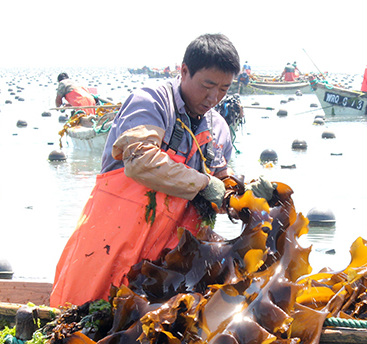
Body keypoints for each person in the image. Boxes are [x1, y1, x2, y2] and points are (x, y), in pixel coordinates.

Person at [51, 34, 265, 307]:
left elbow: (221, 182)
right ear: (184, 70)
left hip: (172, 260)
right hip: (113, 241)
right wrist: (202, 184)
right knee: (82, 311)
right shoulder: (151, 102)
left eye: (223, 89)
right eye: (207, 86)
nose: (213, 97)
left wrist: (246, 192)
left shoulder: (218, 127)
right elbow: (140, 160)